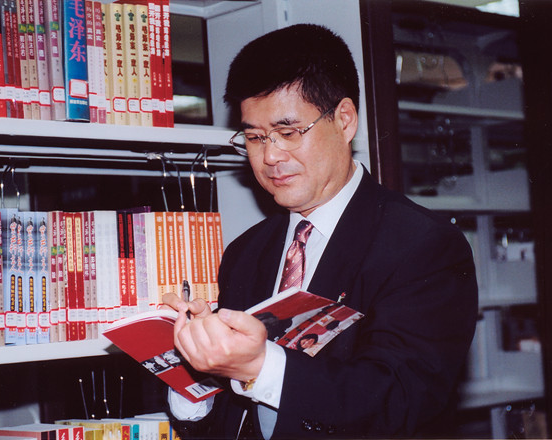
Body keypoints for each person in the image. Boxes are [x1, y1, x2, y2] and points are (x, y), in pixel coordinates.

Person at [161, 23, 478, 439]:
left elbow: (400, 401)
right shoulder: (245, 252)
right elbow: (236, 418)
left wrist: (261, 365)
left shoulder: (421, 245)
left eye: (288, 133)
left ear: (344, 120)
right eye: (254, 137)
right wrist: (195, 372)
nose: (270, 156)